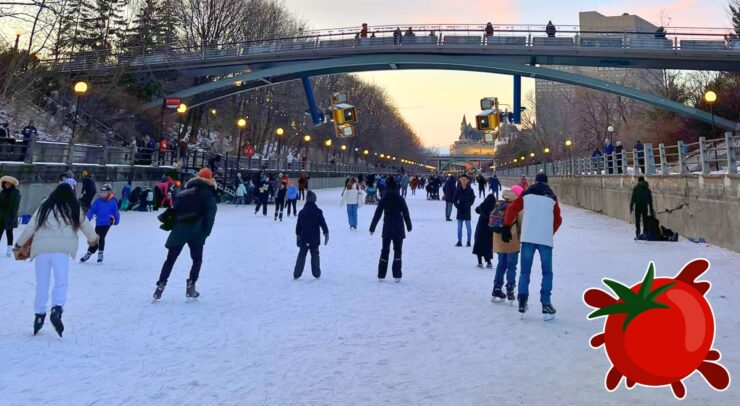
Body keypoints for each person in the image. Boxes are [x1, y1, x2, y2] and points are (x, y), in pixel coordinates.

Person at [15, 182, 98, 337]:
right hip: (62, 250)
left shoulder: (44, 207)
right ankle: (57, 308)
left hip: (41, 250)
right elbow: (86, 227)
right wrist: (93, 240)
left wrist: (19, 244)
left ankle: (39, 316)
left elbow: (30, 228)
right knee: (61, 281)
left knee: (42, 283)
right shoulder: (74, 207)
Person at [502, 173, 562, 319]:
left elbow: (512, 208)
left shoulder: (527, 194)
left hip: (528, 237)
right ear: (547, 183)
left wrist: (506, 225)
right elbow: (558, 219)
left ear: (534, 181)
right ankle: (546, 303)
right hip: (545, 239)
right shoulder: (552, 197)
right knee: (547, 272)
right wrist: (550, 232)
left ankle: (522, 299)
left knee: (525, 271)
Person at [153, 168, 218, 300]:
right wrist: (206, 232)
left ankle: (160, 286)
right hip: (197, 230)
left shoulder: (185, 192)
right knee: (197, 259)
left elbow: (175, 208)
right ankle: (191, 286)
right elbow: (211, 214)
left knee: (170, 259)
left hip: (180, 229)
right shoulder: (208, 194)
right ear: (210, 180)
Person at [369, 177, 412, 282]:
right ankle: (397, 274)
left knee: (385, 250)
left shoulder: (384, 198)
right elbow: (406, 213)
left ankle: (381, 274)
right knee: (398, 251)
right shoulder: (400, 198)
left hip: (387, 227)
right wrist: (409, 226)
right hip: (398, 227)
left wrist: (372, 227)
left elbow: (378, 213)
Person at [491, 188, 522, 302]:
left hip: (499, 238)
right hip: (511, 238)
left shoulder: (499, 203)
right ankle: (510, 289)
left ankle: (497, 287)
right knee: (512, 265)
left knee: (501, 264)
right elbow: (521, 224)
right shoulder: (517, 206)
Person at [80, 184, 120, 264]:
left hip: (108, 222)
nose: (102, 193)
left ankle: (100, 253)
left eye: (104, 192)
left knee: (101, 237)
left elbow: (116, 212)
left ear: (109, 192)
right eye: (101, 192)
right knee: (96, 239)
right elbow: (92, 210)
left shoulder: (113, 201)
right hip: (99, 222)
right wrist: (88, 218)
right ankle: (89, 253)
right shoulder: (98, 202)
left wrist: (117, 220)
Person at [294, 191, 329, 279]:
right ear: (314, 200)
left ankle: (297, 273)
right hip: (314, 239)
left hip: (304, 238)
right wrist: (326, 233)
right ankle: (316, 273)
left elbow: (298, 226)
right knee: (315, 255)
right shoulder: (318, 212)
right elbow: (323, 223)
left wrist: (298, 236)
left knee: (302, 255)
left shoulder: (302, 212)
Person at [472, 194, 496, 268]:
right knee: (488, 245)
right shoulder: (495, 207)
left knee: (479, 243)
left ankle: (480, 262)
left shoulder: (483, 205)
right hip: (490, 228)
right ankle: (489, 262)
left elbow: (476, 210)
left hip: (481, 227)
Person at [0, 175, 21, 257]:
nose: (7, 185)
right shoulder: (3, 192)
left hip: (10, 215)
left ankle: (9, 249)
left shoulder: (16, 192)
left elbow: (15, 205)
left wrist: (12, 216)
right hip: (1, 215)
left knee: (9, 232)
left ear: (12, 184)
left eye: (9, 183)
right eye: (6, 183)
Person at [453, 175, 476, 247]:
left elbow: (473, 198)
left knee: (468, 227)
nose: (463, 181)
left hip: (466, 210)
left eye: (465, 179)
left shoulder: (470, 190)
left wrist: (469, 204)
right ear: (460, 180)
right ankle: (459, 241)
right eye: (462, 179)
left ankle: (468, 241)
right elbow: (455, 199)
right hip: (460, 210)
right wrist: (457, 206)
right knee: (459, 228)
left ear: (467, 180)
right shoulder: (458, 189)